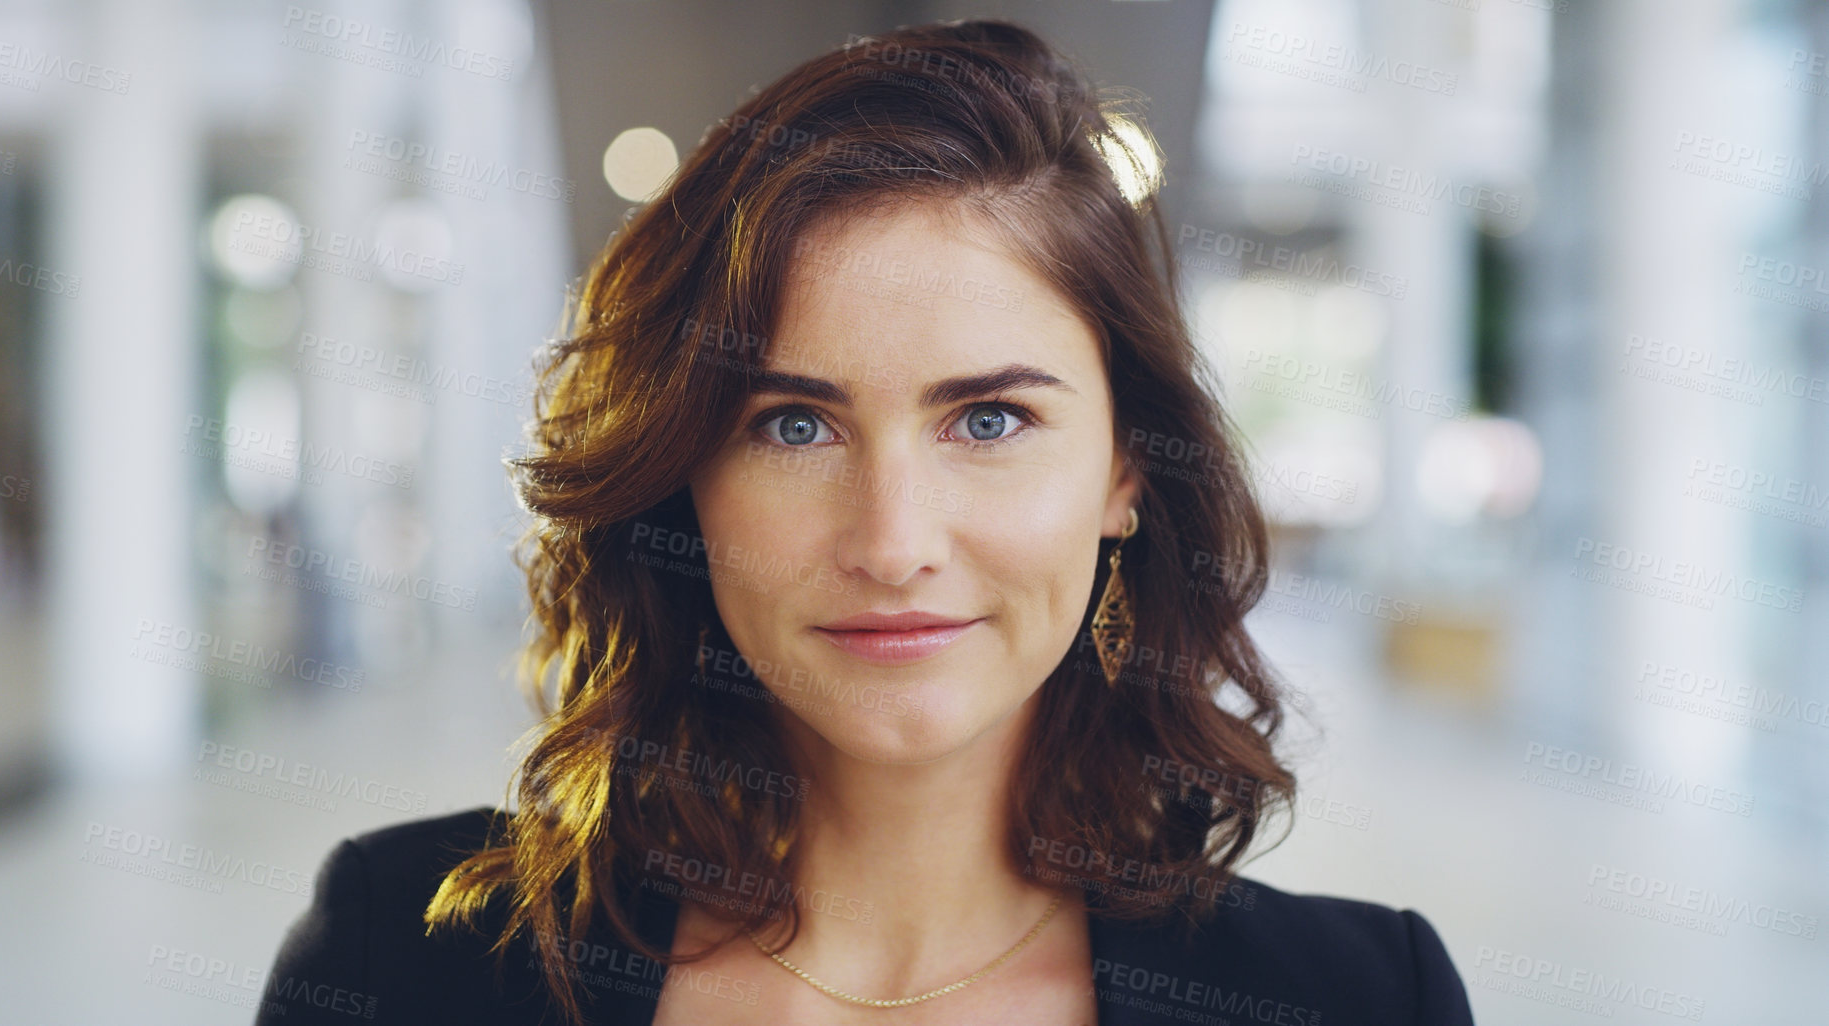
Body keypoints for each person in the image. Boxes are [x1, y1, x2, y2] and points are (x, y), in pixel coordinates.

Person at [255, 18, 1475, 1026]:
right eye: (794, 425)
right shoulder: (398, 960)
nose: (893, 545)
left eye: (989, 421)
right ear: (684, 475)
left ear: (1125, 474)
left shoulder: (1366, 1000)